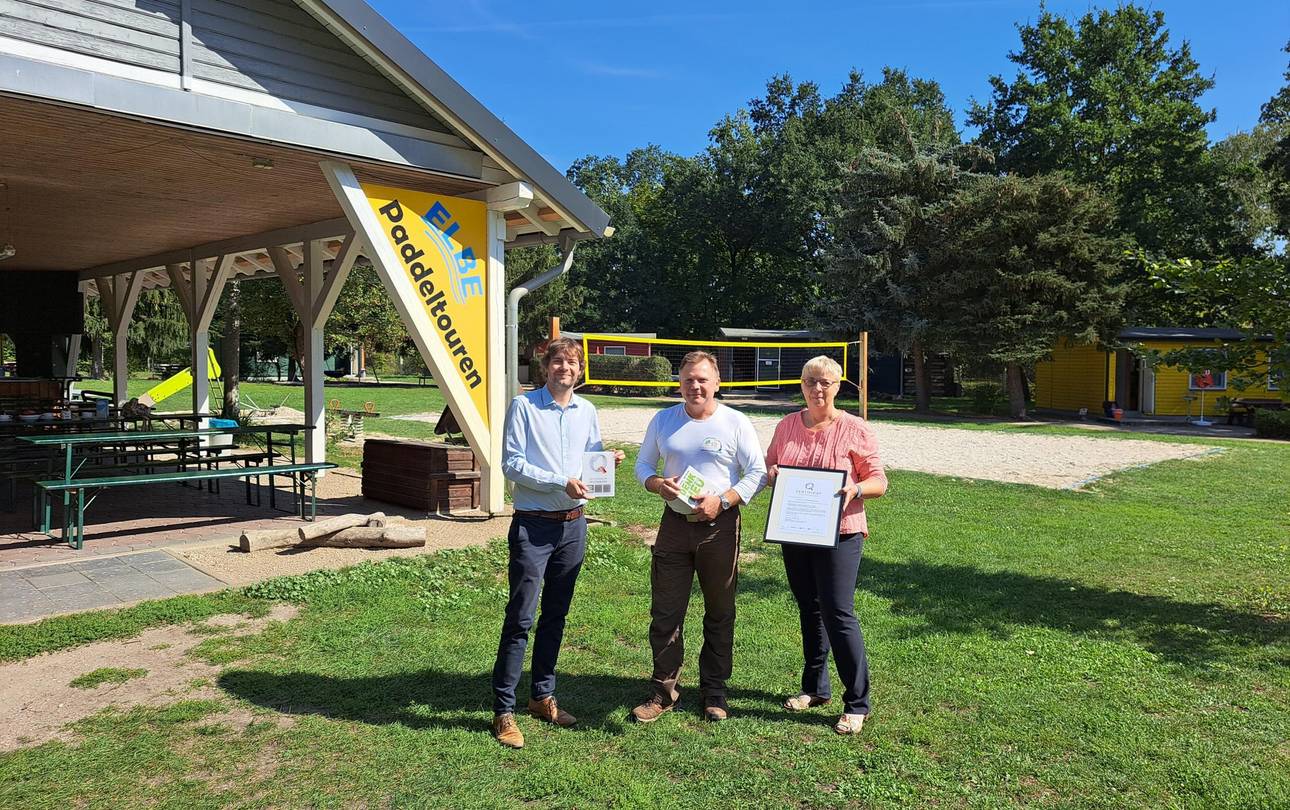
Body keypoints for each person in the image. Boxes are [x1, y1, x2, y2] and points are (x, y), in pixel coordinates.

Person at [491, 337, 624, 749]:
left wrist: (607, 461)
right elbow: (511, 463)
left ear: (579, 370)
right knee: (521, 618)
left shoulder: (587, 410)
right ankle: (503, 711)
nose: (564, 368)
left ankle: (541, 696)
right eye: (558, 362)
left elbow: (591, 458)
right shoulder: (525, 407)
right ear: (545, 367)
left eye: (572, 362)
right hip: (534, 526)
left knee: (556, 615)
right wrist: (558, 481)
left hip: (573, 526)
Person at [631, 351, 767, 723]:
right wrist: (657, 483)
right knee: (665, 612)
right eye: (689, 379)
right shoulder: (664, 420)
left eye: (703, 379)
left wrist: (722, 501)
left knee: (719, 611)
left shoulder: (735, 422)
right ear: (680, 382)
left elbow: (757, 473)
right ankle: (663, 691)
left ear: (717, 383)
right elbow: (642, 465)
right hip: (674, 526)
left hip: (720, 527)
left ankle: (715, 690)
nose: (696, 386)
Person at [764, 355, 887, 735]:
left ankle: (857, 702)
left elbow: (879, 481)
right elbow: (771, 468)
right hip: (797, 531)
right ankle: (815, 688)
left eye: (826, 383)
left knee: (838, 611)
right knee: (809, 608)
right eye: (811, 381)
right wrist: (773, 475)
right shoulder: (786, 426)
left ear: (838, 386)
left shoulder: (855, 428)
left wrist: (855, 488)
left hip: (842, 531)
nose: (818, 389)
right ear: (801, 384)